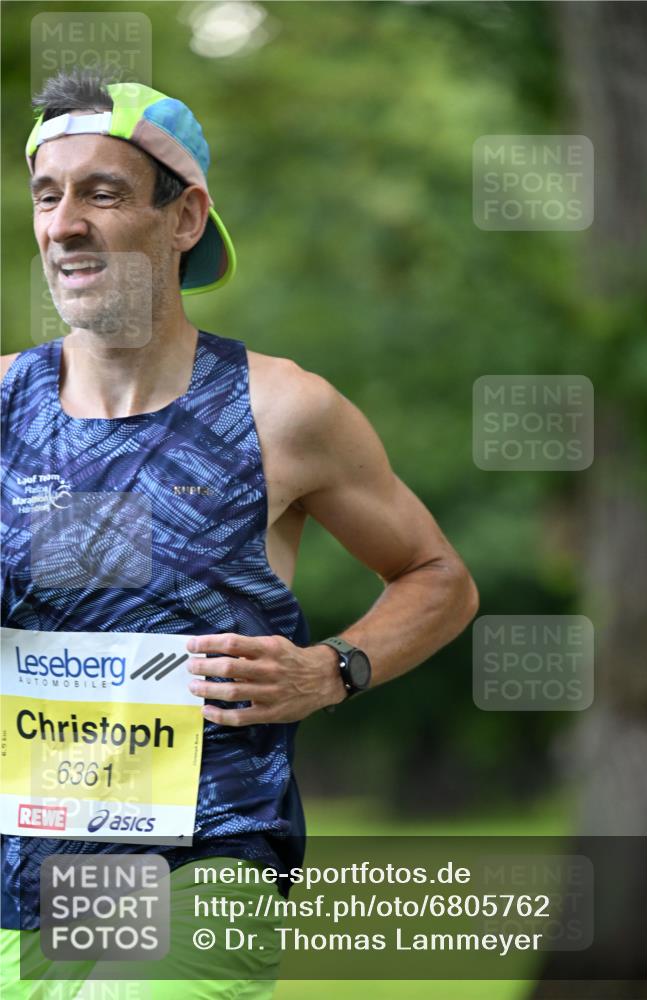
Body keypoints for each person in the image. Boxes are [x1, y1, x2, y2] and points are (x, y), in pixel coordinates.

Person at [0, 70, 479, 999]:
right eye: (47, 197)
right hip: (22, 868)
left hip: (204, 854)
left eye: (103, 194)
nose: (64, 225)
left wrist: (332, 670)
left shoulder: (281, 410)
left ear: (184, 218)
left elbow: (436, 576)